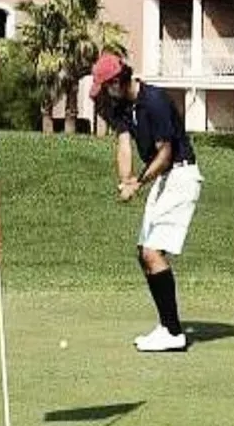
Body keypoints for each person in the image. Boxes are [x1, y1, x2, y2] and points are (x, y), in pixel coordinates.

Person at [87, 52, 203, 352]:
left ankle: (174, 332)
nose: (101, 99)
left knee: (153, 252)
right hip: (164, 178)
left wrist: (137, 183)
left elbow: (165, 154)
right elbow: (124, 144)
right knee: (144, 253)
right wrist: (125, 180)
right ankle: (166, 326)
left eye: (103, 89)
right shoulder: (125, 107)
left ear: (115, 81)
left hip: (180, 175)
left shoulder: (154, 102)